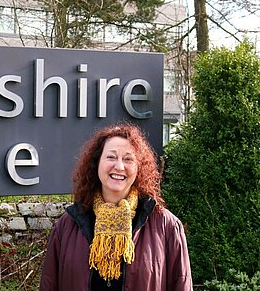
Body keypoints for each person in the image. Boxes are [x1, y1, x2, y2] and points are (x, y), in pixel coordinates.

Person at [39, 123, 193, 291]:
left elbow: (181, 284)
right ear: (96, 163)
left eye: (128, 159)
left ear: (139, 167)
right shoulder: (67, 225)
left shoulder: (166, 226)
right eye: (111, 157)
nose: (119, 166)